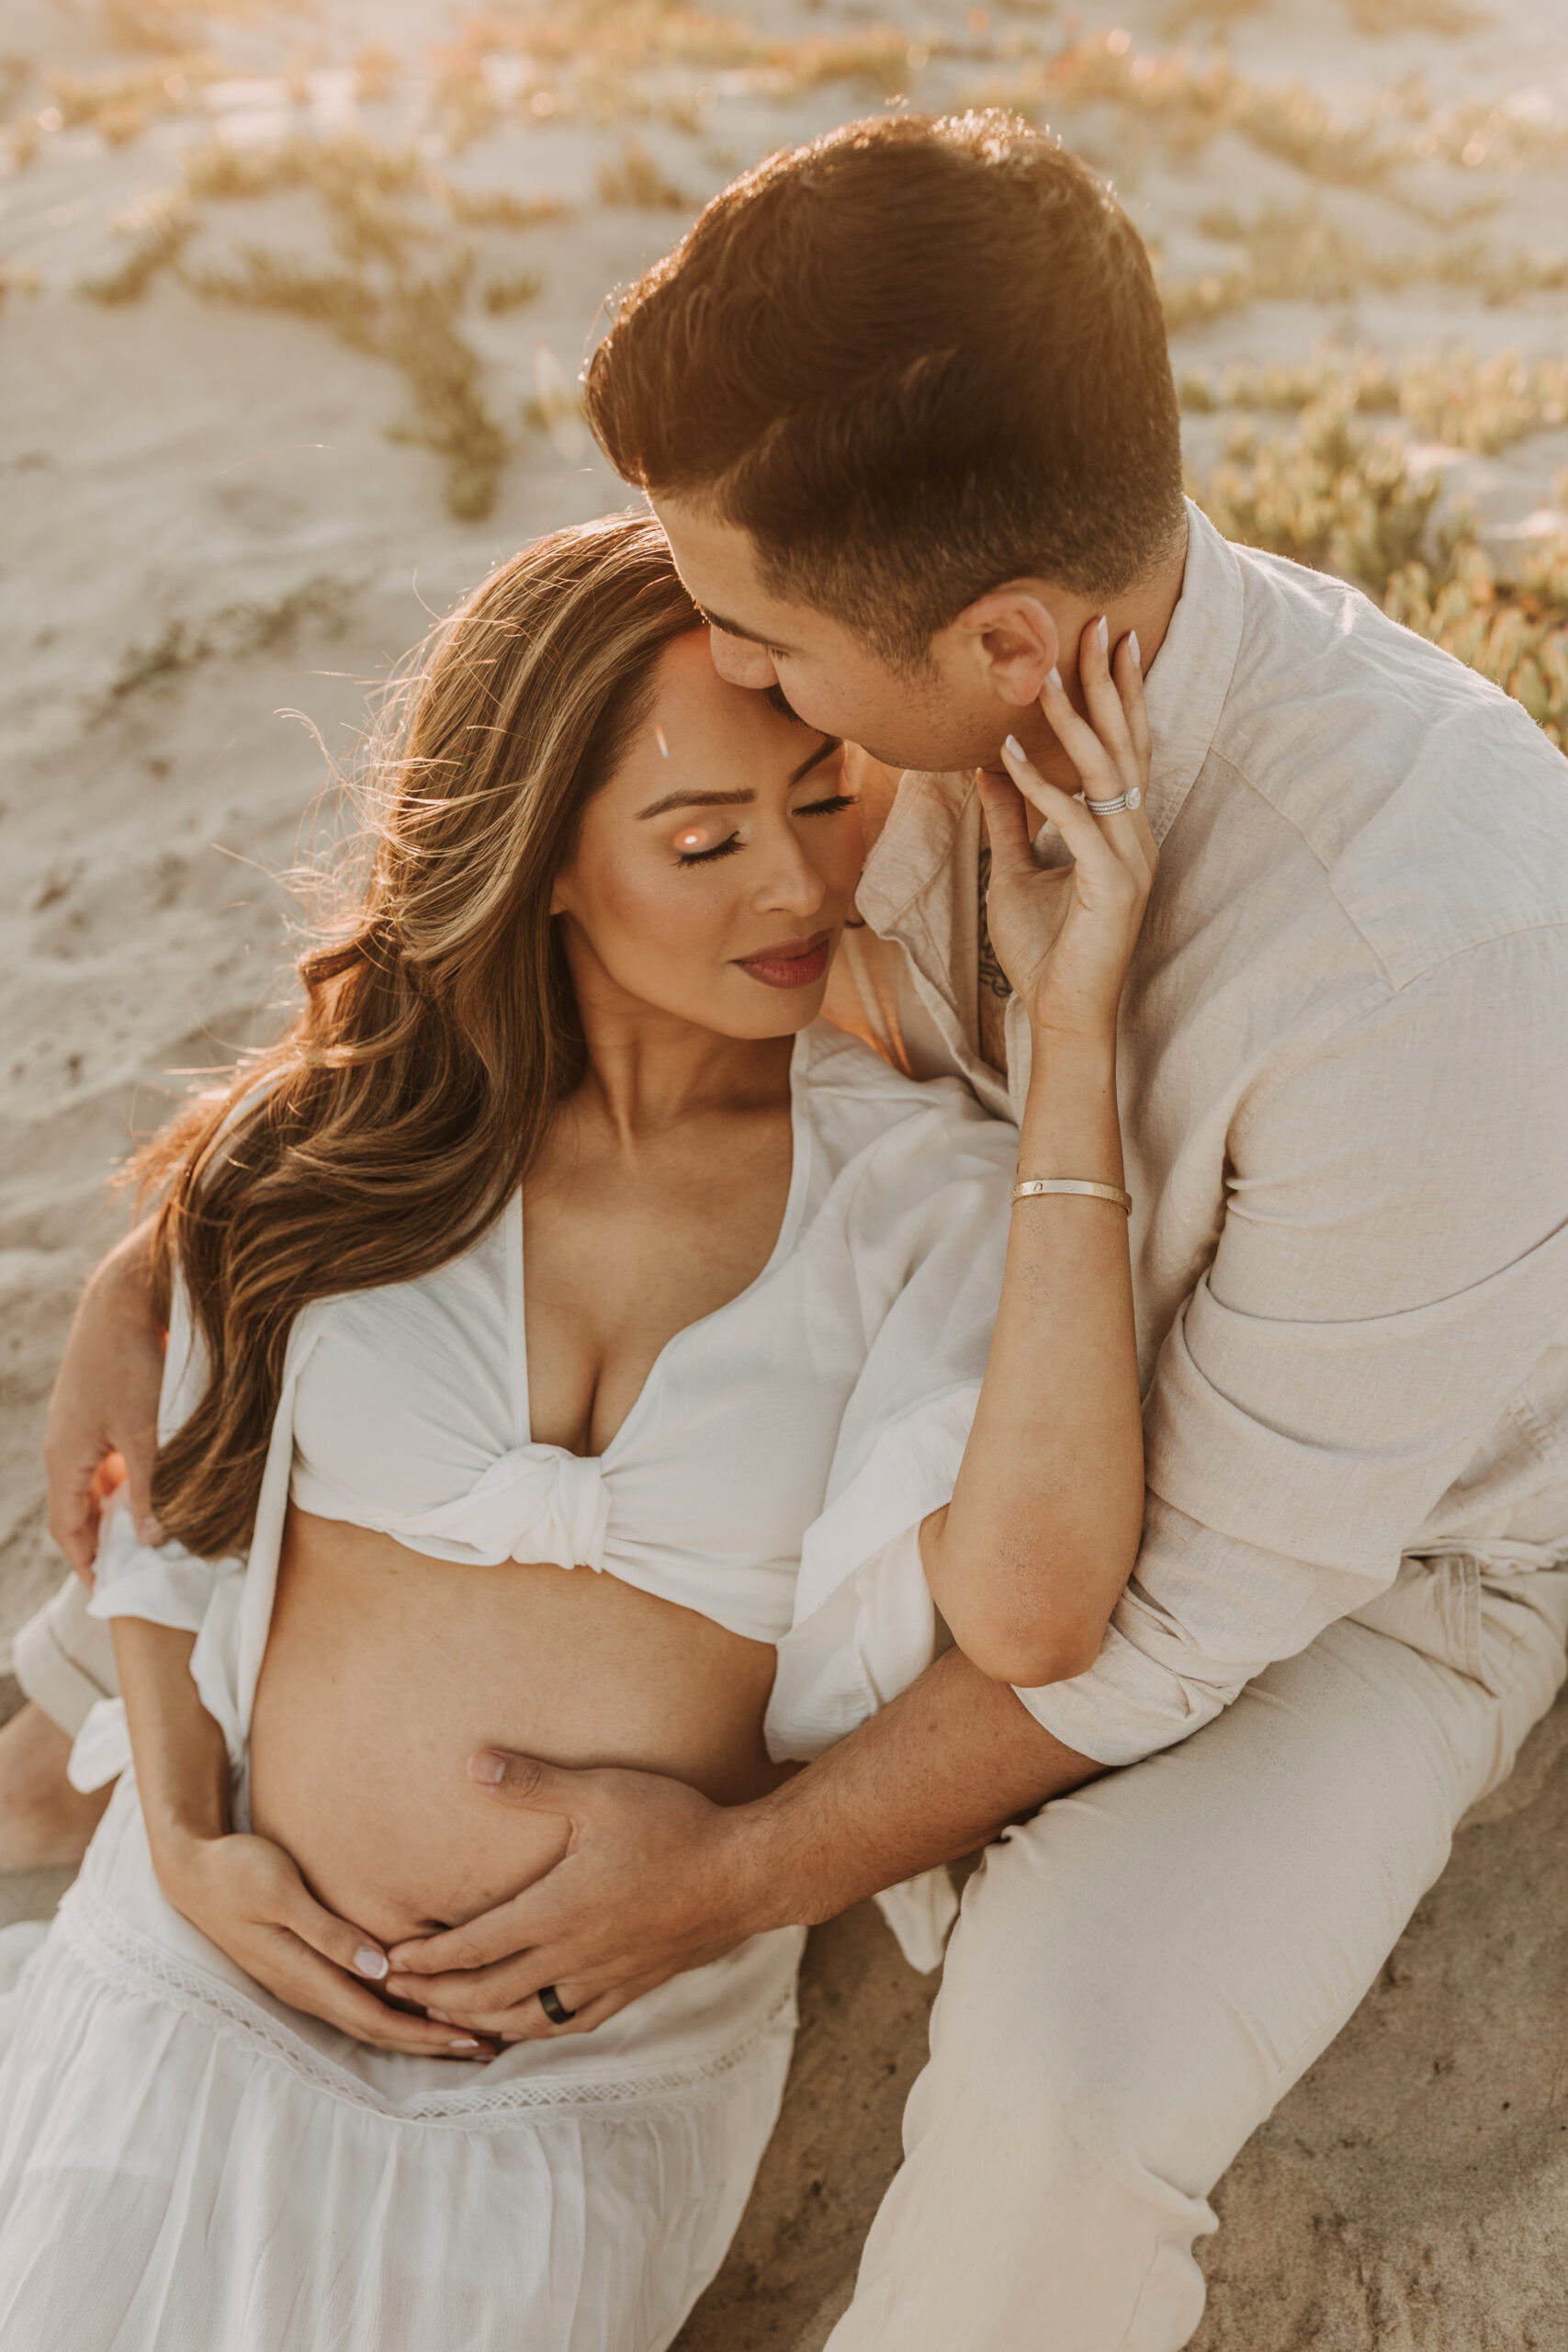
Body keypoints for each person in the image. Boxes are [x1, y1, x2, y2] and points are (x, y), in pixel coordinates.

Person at [12, 109, 1568, 2351]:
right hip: (913, 1358)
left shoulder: (1427, 963)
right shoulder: (891, 675)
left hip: (1361, 1557)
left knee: (1061, 2084)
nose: (738, 682)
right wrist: (154, 1269)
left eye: (764, 648)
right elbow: (526, 929)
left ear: (1000, 635)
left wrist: (732, 1871)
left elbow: (1131, 1635)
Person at [0, 509, 1157, 2349]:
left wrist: (1074, 1028)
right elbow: (177, 1504)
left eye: (814, 799)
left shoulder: (918, 1197)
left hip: (562, 2112)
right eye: (700, 838)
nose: (790, 885)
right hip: (192, 1989)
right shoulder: (358, 1140)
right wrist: (186, 1831)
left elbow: (1040, 1597)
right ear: (543, 861)